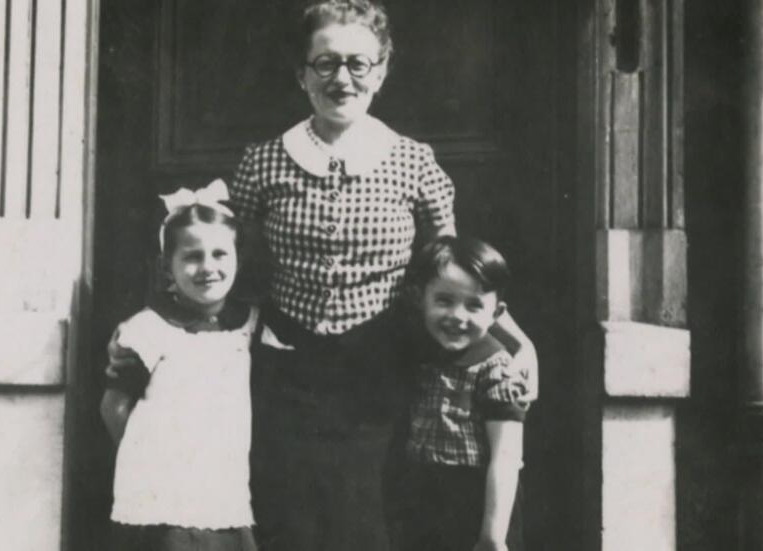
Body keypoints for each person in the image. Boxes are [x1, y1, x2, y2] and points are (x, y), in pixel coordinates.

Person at [110, 1, 538, 549]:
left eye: (359, 64)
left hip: (386, 370)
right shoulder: (263, 163)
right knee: (294, 519)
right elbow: (218, 260)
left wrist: (513, 339)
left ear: (381, 71)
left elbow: (450, 269)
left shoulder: (413, 162)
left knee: (370, 521)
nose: (343, 78)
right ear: (302, 75)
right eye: (326, 63)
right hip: (287, 371)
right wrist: (149, 326)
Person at [100, 180, 259, 551]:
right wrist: (151, 457)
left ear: (238, 260)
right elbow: (113, 407)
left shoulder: (250, 324)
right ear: (166, 266)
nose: (207, 267)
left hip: (225, 492)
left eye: (220, 254)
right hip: (163, 501)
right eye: (192, 256)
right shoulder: (147, 330)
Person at [400, 235, 529, 551]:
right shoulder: (421, 355)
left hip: (477, 504)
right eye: (444, 300)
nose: (457, 316)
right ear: (421, 300)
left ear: (497, 313)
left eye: (474, 305)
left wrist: (492, 537)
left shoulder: (496, 368)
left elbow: (506, 456)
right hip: (423, 499)